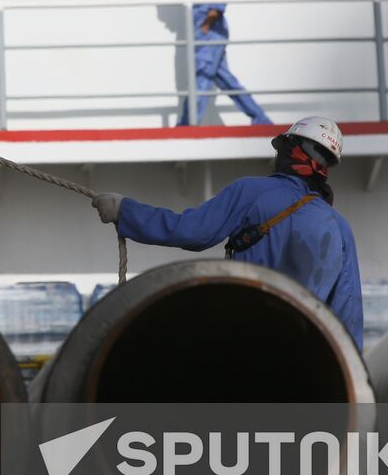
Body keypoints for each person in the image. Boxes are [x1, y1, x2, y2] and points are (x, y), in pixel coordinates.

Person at [91, 116, 363, 347]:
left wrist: (124, 211)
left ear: (288, 151)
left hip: (244, 342)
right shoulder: (340, 227)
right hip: (301, 357)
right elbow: (347, 314)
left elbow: (191, 232)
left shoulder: (251, 192)